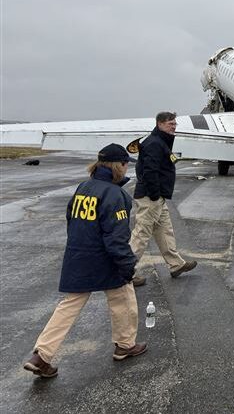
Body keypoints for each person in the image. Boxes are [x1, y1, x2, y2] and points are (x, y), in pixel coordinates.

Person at [23, 144, 147, 378]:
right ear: (118, 166)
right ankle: (125, 344)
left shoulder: (83, 187)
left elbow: (71, 219)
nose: (127, 167)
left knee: (69, 305)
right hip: (105, 258)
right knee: (123, 296)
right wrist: (127, 265)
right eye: (125, 163)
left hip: (78, 254)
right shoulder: (116, 194)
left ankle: (41, 355)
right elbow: (117, 237)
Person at [129, 112, 196, 286]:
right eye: (169, 124)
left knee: (165, 230)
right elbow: (149, 171)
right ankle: (124, 273)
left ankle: (176, 265)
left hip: (158, 197)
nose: (173, 127)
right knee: (141, 234)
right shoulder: (154, 143)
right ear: (159, 124)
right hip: (151, 197)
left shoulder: (160, 141)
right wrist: (154, 194)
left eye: (174, 124)